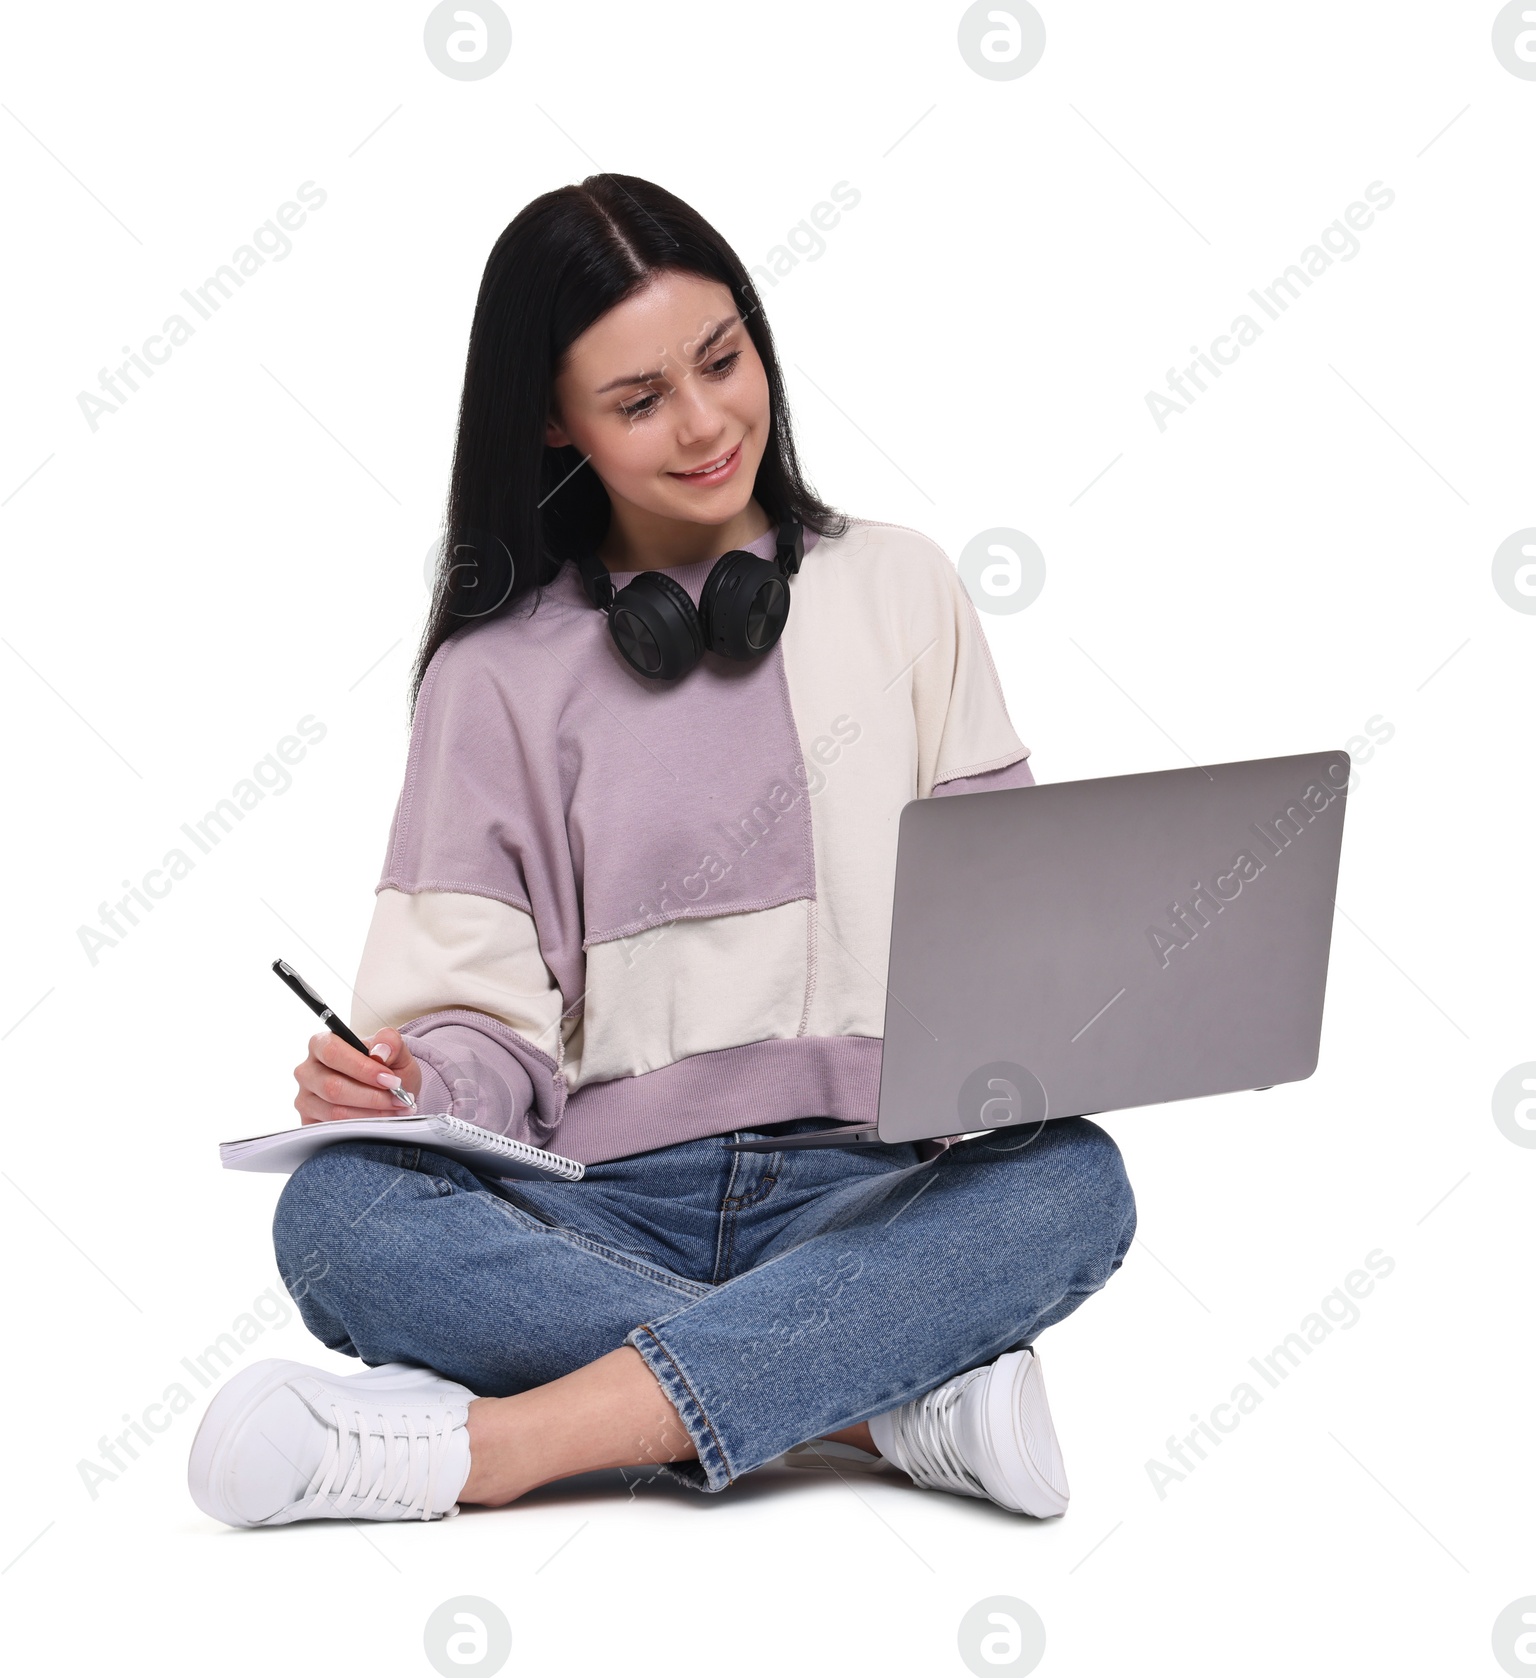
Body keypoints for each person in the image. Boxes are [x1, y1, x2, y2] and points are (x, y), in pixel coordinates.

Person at [187, 174, 1137, 1529]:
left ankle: (494, 1448)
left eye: (722, 360)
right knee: (339, 1215)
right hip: (598, 1205)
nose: (705, 424)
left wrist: (1056, 1026)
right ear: (554, 422)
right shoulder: (493, 675)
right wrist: (409, 1071)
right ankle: (878, 1407)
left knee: (1074, 1182)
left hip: (869, 1190)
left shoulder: (904, 589)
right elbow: (483, 1029)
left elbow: (1007, 938)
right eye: (638, 401)